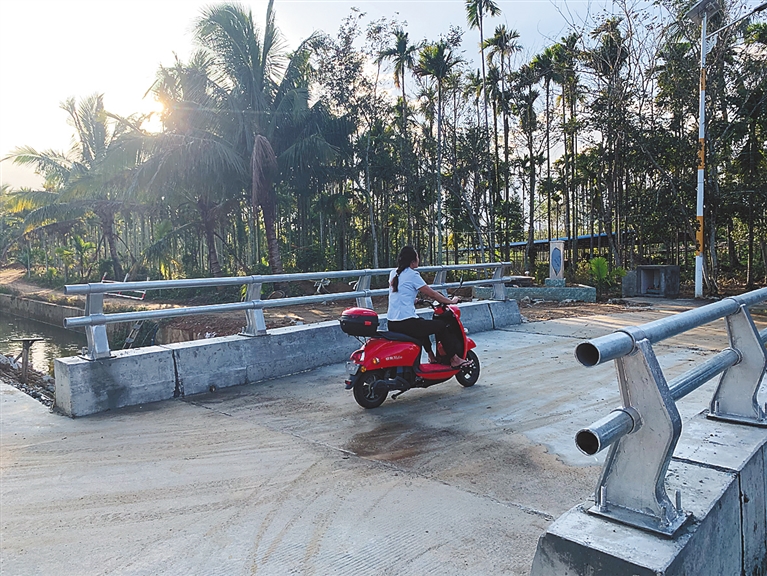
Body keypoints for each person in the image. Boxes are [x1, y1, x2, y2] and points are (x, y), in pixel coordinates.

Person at [386, 246, 471, 368]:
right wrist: (451, 301)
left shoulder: (393, 273)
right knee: (441, 326)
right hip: (405, 322)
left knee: (422, 325)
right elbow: (432, 294)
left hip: (392, 323)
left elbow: (399, 294)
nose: (419, 259)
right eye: (417, 256)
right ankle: (454, 359)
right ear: (412, 261)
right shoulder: (413, 275)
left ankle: (431, 356)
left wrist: (413, 300)